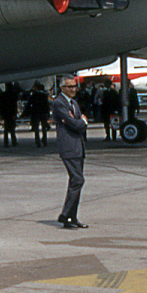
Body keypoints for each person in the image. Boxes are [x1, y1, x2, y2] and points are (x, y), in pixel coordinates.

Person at [51, 76, 88, 228]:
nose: (73, 89)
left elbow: (77, 124)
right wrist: (82, 121)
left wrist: (79, 123)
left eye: (74, 86)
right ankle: (65, 215)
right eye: (70, 87)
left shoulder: (73, 103)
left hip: (78, 146)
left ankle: (72, 217)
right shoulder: (59, 103)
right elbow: (75, 123)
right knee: (78, 180)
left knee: (76, 182)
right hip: (68, 147)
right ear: (62, 88)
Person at [0, 83, 21, 147]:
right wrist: (15, 113)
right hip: (11, 113)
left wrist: (1, 113)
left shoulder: (3, 95)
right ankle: (14, 141)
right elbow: (14, 105)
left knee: (6, 129)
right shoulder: (13, 95)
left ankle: (6, 142)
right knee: (12, 128)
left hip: (5, 113)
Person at [26, 82, 50, 146]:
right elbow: (47, 104)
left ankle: (37, 141)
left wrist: (26, 113)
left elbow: (29, 104)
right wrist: (48, 112)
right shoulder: (44, 95)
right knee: (44, 127)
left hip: (35, 112)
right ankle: (44, 139)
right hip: (43, 112)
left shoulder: (34, 95)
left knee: (36, 128)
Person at [99, 77, 121, 141]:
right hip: (106, 110)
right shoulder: (105, 92)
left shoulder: (114, 92)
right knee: (106, 124)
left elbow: (117, 101)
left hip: (112, 110)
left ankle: (114, 136)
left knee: (113, 123)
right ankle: (108, 136)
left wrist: (117, 109)